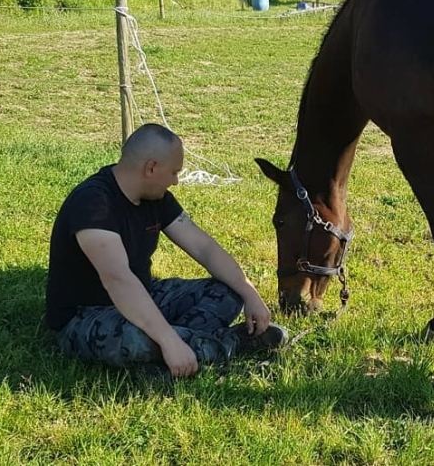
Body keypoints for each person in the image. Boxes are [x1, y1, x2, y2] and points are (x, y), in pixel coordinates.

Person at [46, 123, 286, 377]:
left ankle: (169, 352)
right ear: (151, 168)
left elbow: (204, 248)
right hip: (85, 315)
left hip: (143, 297)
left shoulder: (155, 198)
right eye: (173, 172)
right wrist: (167, 339)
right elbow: (118, 279)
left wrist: (250, 293)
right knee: (139, 339)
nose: (176, 181)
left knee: (228, 291)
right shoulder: (94, 203)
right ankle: (229, 344)